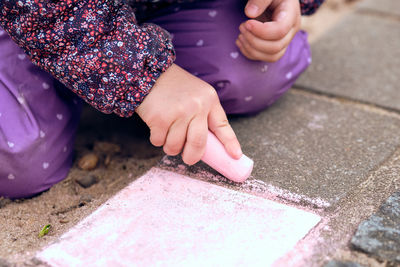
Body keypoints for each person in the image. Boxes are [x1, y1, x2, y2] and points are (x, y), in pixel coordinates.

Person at [0, 0, 324, 199]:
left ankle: (99, 74)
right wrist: (140, 73)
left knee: (255, 69)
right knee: (21, 162)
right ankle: (86, 69)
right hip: (32, 14)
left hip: (154, 7)